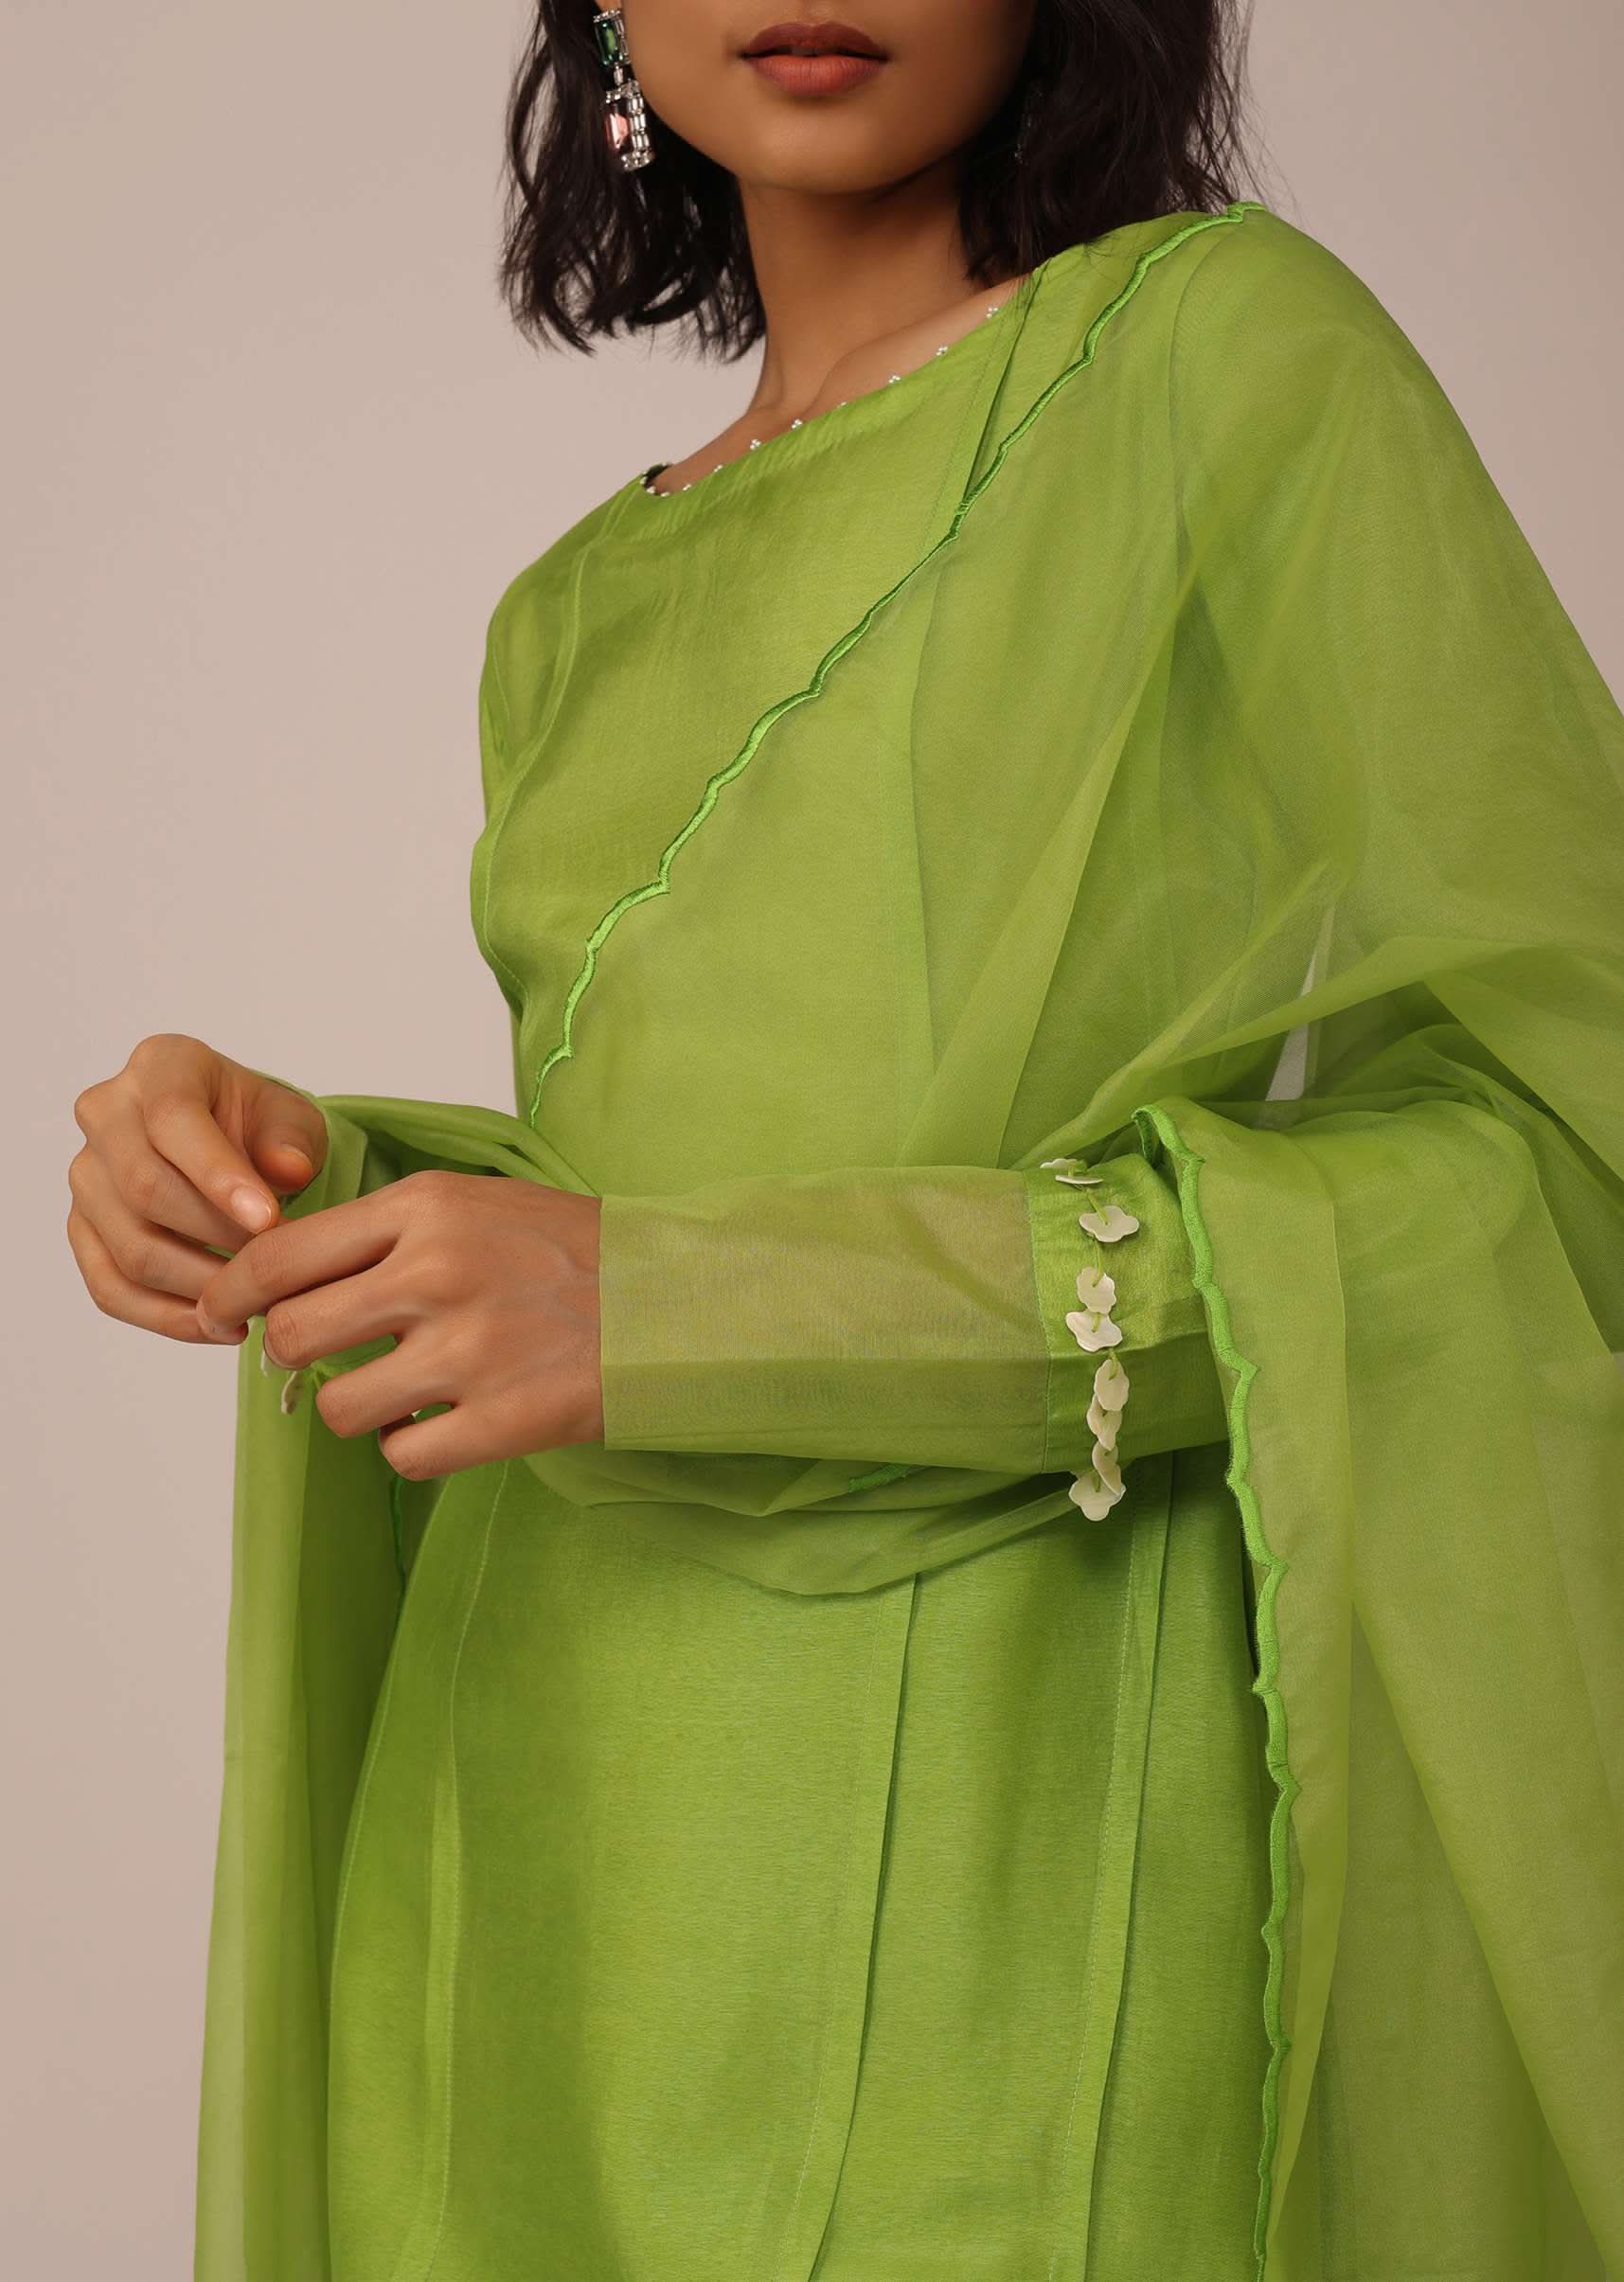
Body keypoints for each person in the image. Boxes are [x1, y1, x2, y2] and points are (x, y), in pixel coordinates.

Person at [66, 5, 1624, 2278]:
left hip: (1019, 1818)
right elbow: (653, 1175)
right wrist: (321, 1194)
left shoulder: (1223, 365)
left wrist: (694, 1312)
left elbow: (1563, 1149)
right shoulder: (568, 614)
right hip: (542, 1842)